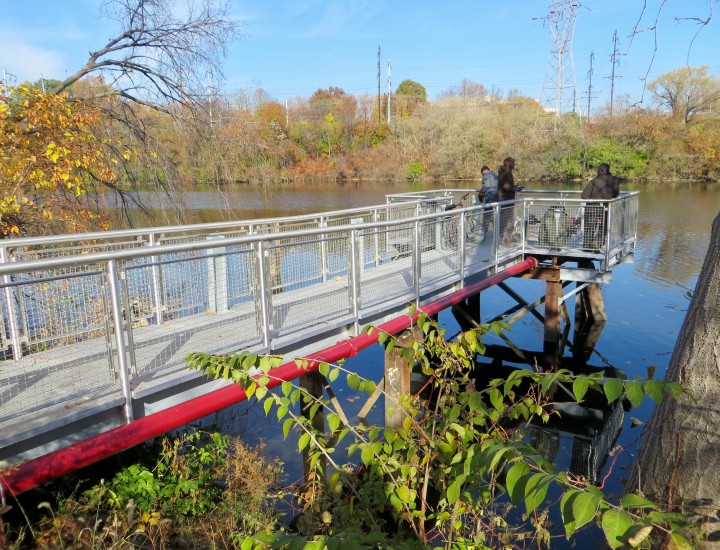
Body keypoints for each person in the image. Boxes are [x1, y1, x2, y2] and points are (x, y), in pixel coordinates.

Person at [581, 163, 620, 249]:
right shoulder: (614, 180)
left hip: (592, 208)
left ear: (601, 170)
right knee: (604, 227)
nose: (596, 171)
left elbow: (584, 196)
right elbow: (616, 194)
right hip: (606, 207)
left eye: (597, 170)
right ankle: (598, 243)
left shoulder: (594, 181)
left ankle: (587, 246)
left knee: (590, 228)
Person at [497, 157, 522, 242]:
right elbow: (506, 187)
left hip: (502, 199)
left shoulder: (502, 172)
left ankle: (501, 240)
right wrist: (516, 188)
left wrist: (514, 187)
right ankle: (507, 241)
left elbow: (504, 186)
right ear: (509, 164)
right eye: (513, 163)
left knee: (503, 221)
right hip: (507, 200)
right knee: (509, 222)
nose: (514, 165)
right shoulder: (507, 173)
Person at [479, 165, 498, 233]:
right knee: (495, 214)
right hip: (497, 198)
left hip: (490, 197)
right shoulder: (495, 176)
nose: (482, 175)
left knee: (487, 214)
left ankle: (484, 231)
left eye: (482, 173)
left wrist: (481, 193)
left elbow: (486, 185)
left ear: (483, 171)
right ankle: (496, 230)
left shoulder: (486, 175)